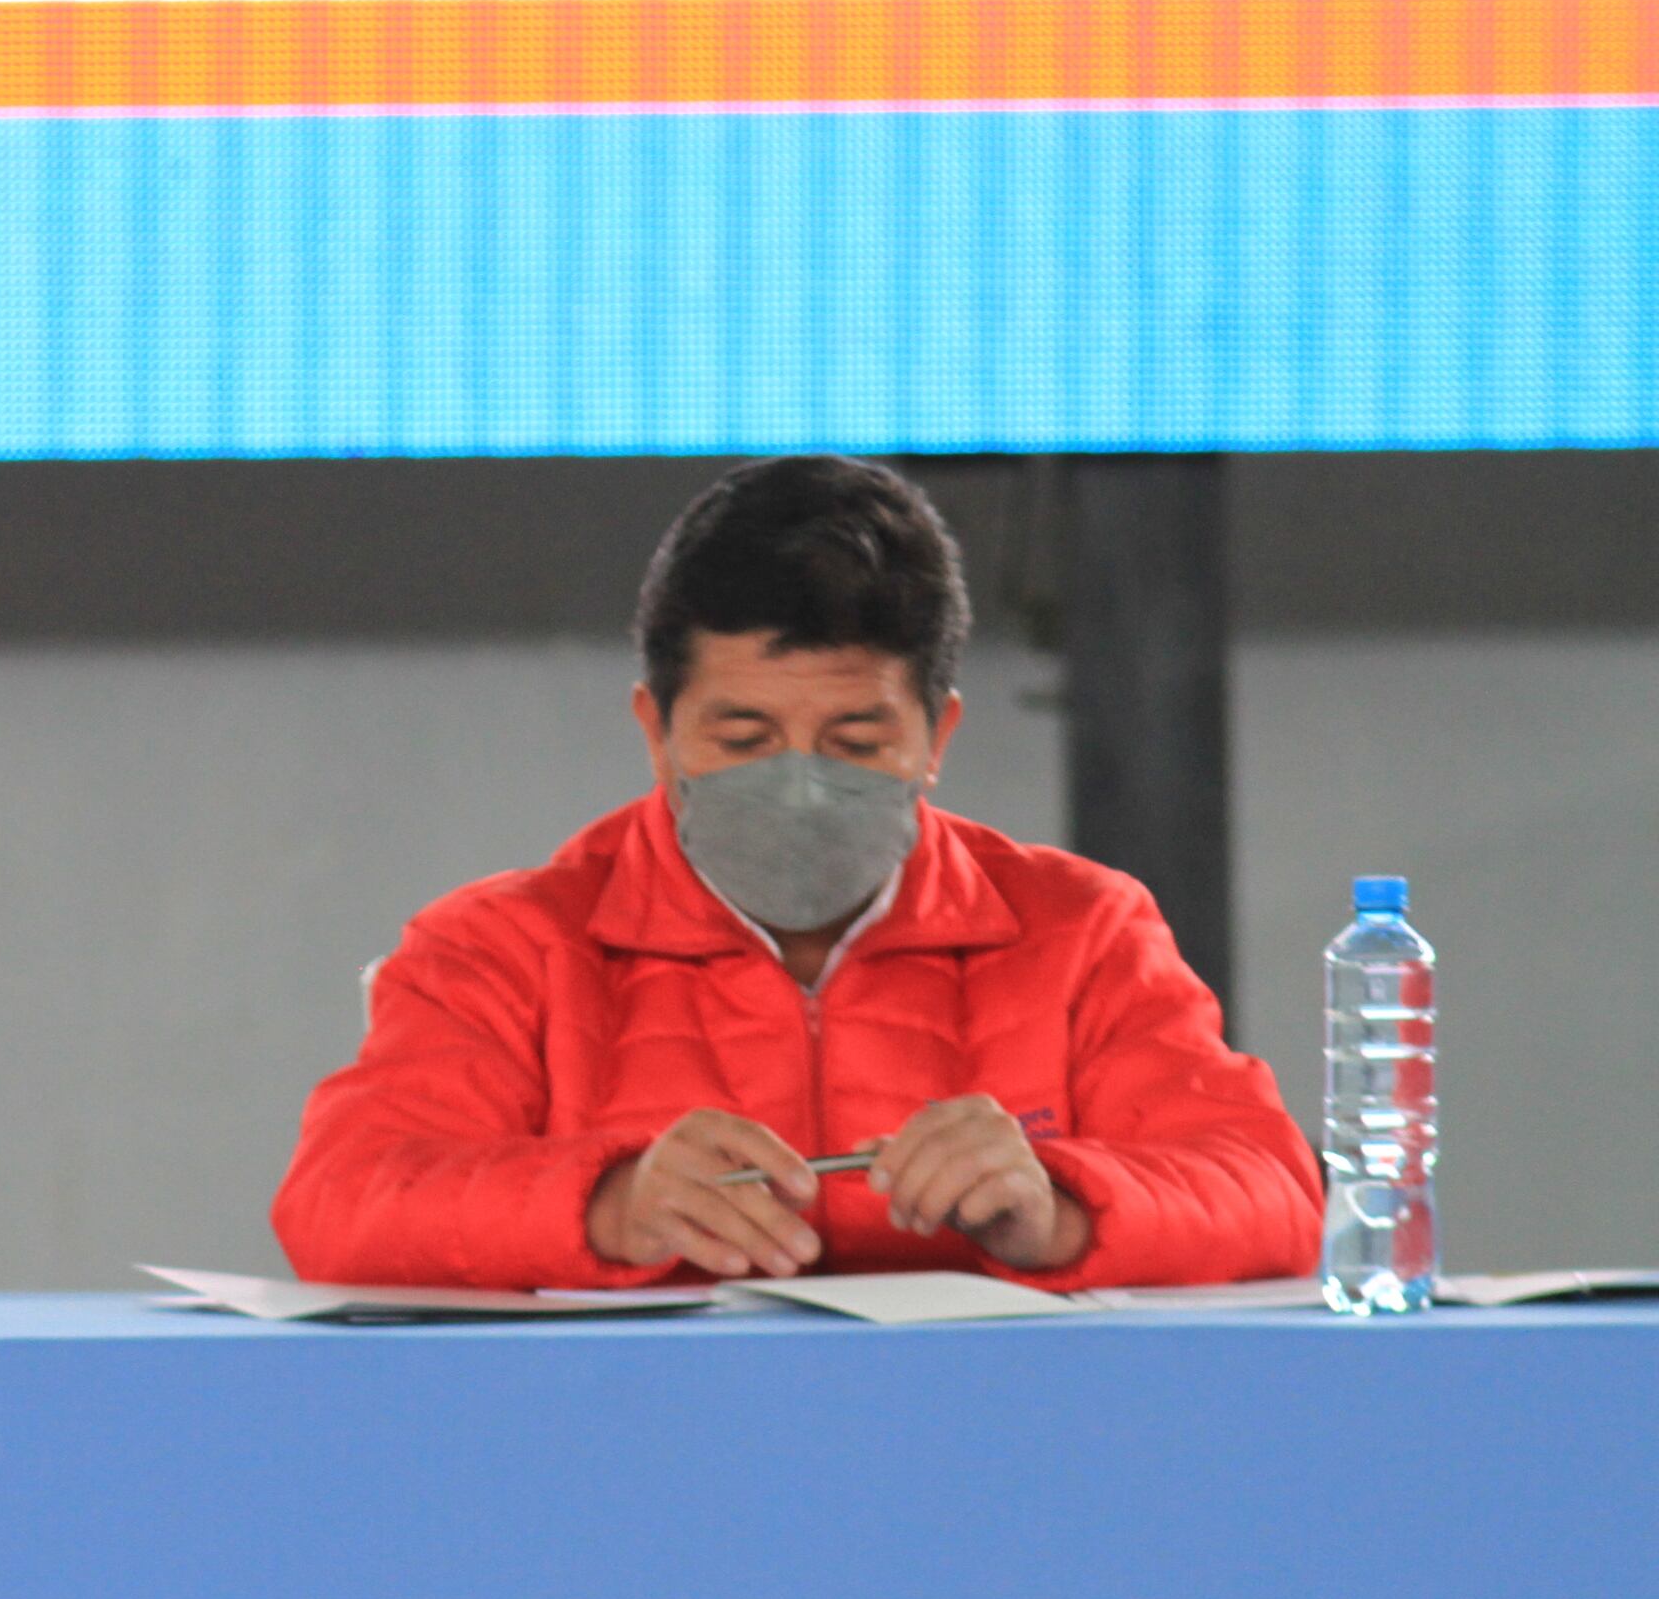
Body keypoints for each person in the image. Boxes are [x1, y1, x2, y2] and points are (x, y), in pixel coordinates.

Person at [273, 456, 1318, 1293]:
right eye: (744, 736)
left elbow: (1272, 1188)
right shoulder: (504, 947)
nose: (801, 784)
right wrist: (608, 1204)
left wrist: (1060, 1209)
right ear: (657, 731)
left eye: (856, 740)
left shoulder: (1082, 932)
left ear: (937, 734)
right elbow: (340, 1199)